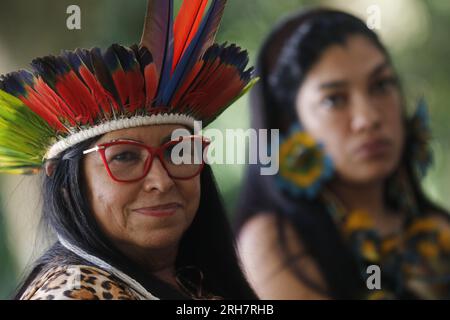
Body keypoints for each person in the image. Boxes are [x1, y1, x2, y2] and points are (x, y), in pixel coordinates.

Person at [0, 0, 257, 300]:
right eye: (124, 156)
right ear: (66, 184)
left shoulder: (195, 281)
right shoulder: (73, 293)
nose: (161, 181)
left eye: (178, 153)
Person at [235, 8, 450, 299]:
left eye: (381, 85)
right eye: (333, 99)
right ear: (290, 125)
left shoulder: (437, 229)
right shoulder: (277, 242)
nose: (368, 118)